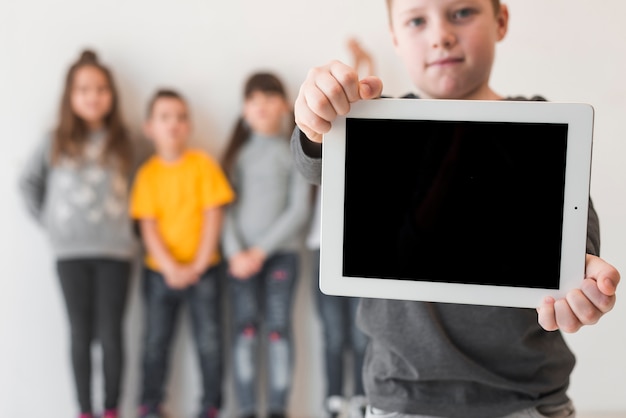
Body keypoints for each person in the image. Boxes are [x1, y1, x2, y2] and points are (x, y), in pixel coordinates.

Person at [290, 1, 621, 417]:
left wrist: (582, 282)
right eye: (416, 20)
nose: (440, 34)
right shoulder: (371, 128)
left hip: (528, 399)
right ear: (395, 37)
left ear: (500, 21)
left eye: (462, 12)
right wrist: (316, 121)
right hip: (402, 397)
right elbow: (310, 163)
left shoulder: (542, 129)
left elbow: (578, 239)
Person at [18, 49, 139, 418]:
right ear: (70, 96)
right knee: (80, 333)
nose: (92, 96)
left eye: (101, 88)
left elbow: (148, 186)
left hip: (116, 251)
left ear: (112, 95)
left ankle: (112, 408)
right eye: (83, 89)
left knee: (111, 332)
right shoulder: (54, 140)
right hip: (69, 253)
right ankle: (84, 410)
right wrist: (52, 225)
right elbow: (28, 183)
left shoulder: (128, 142)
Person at [130, 89, 234, 418]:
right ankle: (150, 404)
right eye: (165, 117)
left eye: (180, 117)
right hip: (159, 273)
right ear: (150, 127)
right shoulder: (147, 175)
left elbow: (213, 215)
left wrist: (199, 264)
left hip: (205, 272)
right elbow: (148, 228)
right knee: (155, 342)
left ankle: (211, 405)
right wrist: (171, 268)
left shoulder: (202, 165)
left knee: (210, 342)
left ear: (188, 126)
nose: (173, 124)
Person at [221, 72, 311, 418]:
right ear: (244, 110)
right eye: (254, 100)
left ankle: (277, 409)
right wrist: (236, 254)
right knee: (245, 331)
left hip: (281, 258)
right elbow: (223, 209)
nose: (261, 106)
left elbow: (299, 209)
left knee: (277, 331)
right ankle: (246, 408)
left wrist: (260, 252)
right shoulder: (236, 156)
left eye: (269, 98)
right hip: (239, 260)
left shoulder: (294, 150)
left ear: (285, 106)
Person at [307, 37, 374, 418]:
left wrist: (364, 61)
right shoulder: (317, 142)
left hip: (359, 251)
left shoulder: (362, 139)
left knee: (361, 330)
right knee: (333, 332)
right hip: (321, 248)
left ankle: (363, 397)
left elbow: (361, 96)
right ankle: (334, 399)